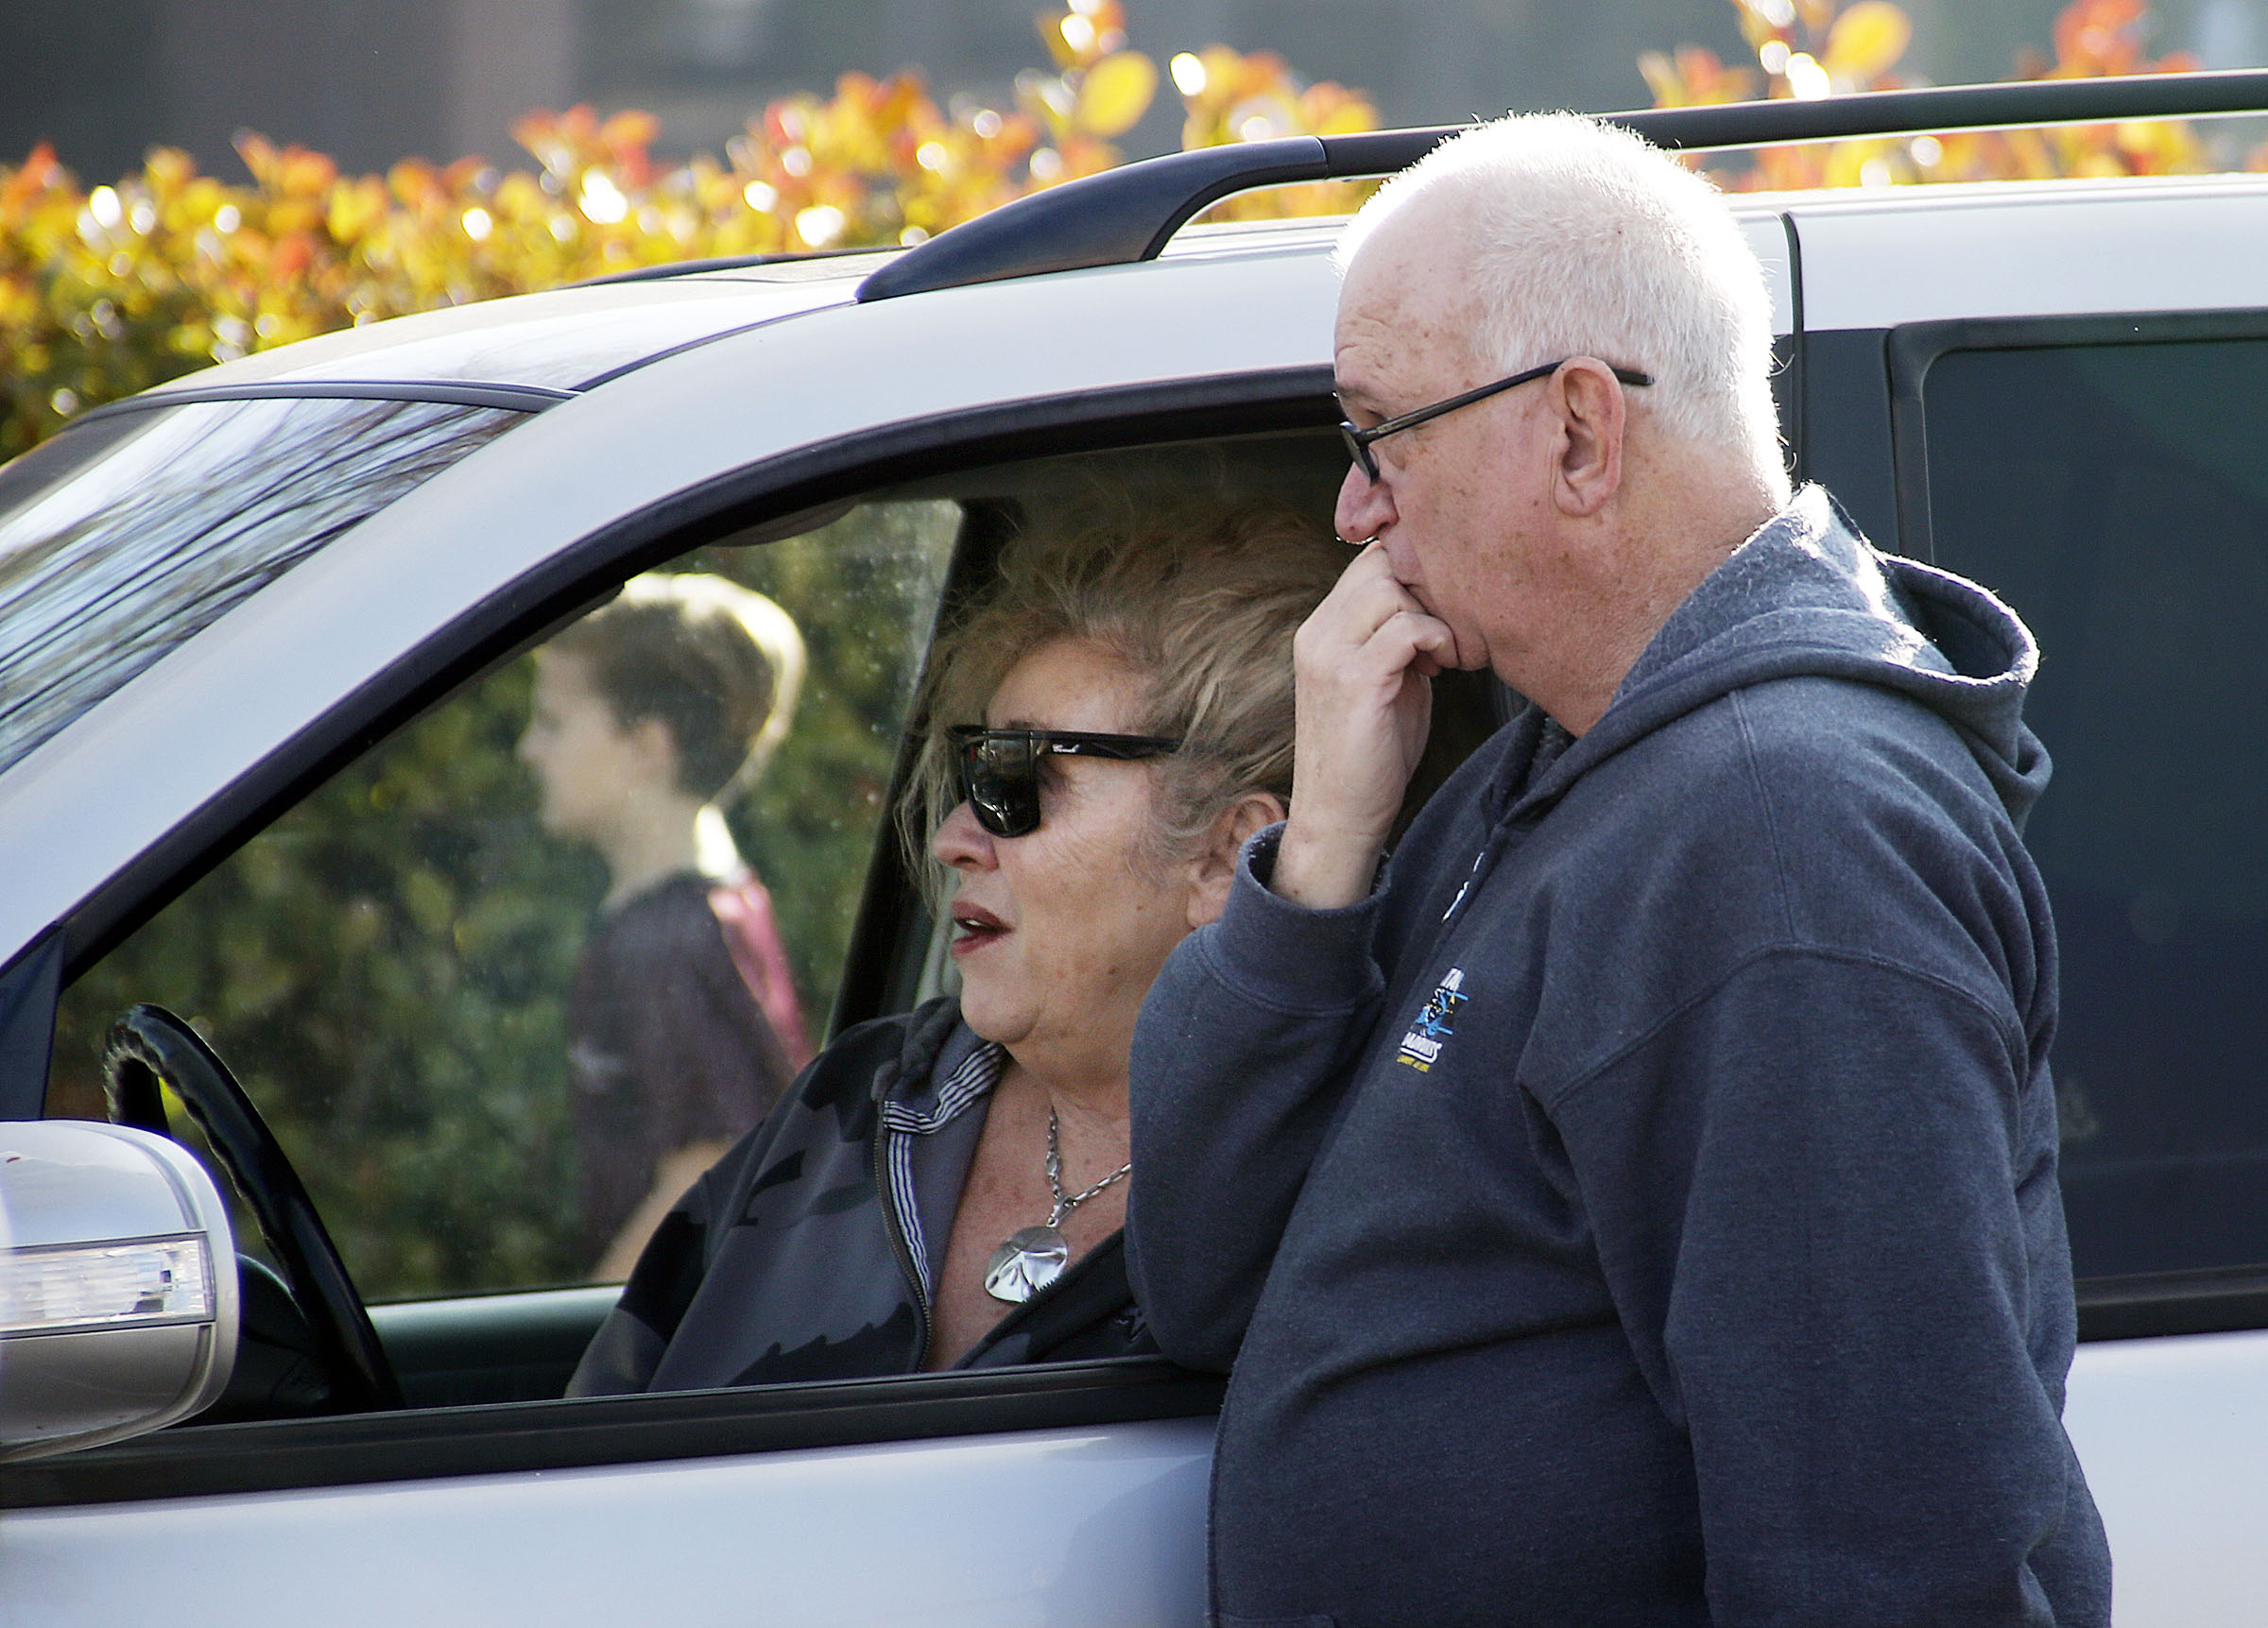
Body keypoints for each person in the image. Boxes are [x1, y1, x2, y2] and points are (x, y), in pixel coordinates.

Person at [1125, 115, 2113, 1627]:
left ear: (1580, 430)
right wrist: (1319, 852)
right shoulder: (1557, 768)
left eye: (1378, 431)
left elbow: (1888, 1569)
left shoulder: (1785, 840)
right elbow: (1203, 1282)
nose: (1353, 506)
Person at [567, 509, 1345, 1393]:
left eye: (1018, 779)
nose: (955, 837)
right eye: (972, 771)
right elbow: (602, 1430)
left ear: (1225, 851)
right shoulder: (861, 1095)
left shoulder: (1340, 1181)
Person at [518, 573, 814, 1278]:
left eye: (554, 722)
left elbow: (702, 1173)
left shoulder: (661, 944)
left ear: (649, 746)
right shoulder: (721, 901)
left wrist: (592, 1349)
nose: (530, 747)